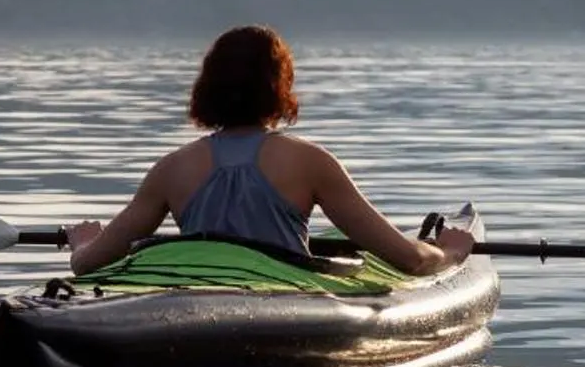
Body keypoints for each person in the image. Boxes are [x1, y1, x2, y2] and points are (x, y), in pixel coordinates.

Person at [65, 25, 475, 277]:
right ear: (280, 88)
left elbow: (87, 264)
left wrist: (84, 241)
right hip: (282, 306)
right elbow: (410, 259)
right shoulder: (310, 163)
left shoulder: (172, 170)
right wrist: (450, 253)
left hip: (195, 305)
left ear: (207, 88)